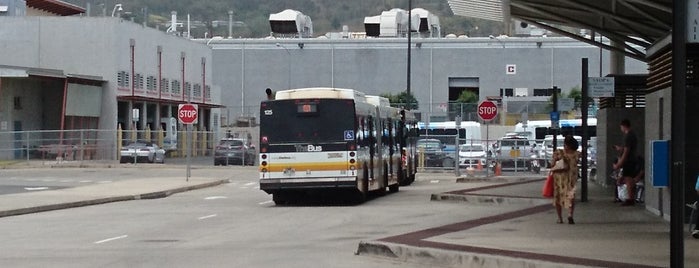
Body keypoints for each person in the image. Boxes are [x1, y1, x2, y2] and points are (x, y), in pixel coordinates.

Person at [613, 119, 638, 206]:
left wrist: (620, 164)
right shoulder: (632, 135)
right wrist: (620, 148)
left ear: (623, 126)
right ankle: (630, 198)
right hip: (631, 159)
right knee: (627, 178)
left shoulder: (628, 136)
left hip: (629, 160)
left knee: (628, 179)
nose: (621, 129)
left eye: (621, 127)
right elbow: (626, 149)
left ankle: (630, 199)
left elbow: (626, 152)